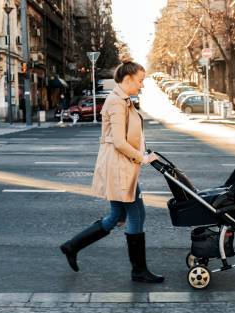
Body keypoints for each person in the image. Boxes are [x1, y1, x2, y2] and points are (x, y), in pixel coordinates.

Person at [60, 55, 164, 283]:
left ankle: (72, 246)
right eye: (139, 80)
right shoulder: (117, 102)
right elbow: (118, 141)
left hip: (121, 165)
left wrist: (143, 152)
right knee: (136, 214)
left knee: (117, 215)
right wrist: (141, 158)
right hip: (120, 168)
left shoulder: (122, 99)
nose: (142, 84)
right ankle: (138, 271)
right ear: (127, 78)